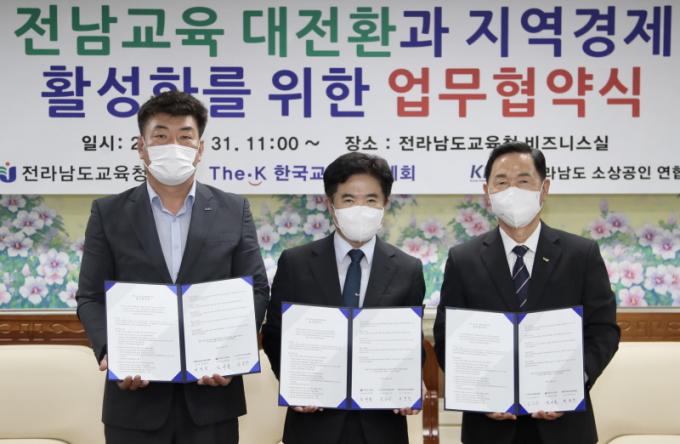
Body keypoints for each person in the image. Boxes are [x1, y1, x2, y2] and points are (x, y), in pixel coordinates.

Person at [76, 91, 270, 444]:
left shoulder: (233, 209)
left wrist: (231, 354)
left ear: (200, 148)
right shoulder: (108, 213)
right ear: (141, 146)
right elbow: (90, 296)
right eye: (161, 136)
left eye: (184, 137)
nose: (173, 146)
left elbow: (255, 289)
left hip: (212, 399)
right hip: (134, 401)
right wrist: (111, 353)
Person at [433, 141, 620, 444]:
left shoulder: (581, 254)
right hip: (489, 429)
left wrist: (573, 383)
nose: (512, 191)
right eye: (501, 182)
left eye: (523, 181)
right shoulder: (463, 259)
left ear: (544, 189)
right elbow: (447, 337)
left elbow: (603, 331)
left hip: (565, 428)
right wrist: (478, 393)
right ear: (487, 192)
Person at [261, 152, 425, 444]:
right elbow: (274, 333)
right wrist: (295, 384)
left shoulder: (407, 269)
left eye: (371, 200)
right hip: (313, 422)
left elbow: (410, 341)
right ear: (331, 205)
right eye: (348, 200)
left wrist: (411, 382)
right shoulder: (296, 263)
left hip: (382, 425)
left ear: (385, 204)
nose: (360, 209)